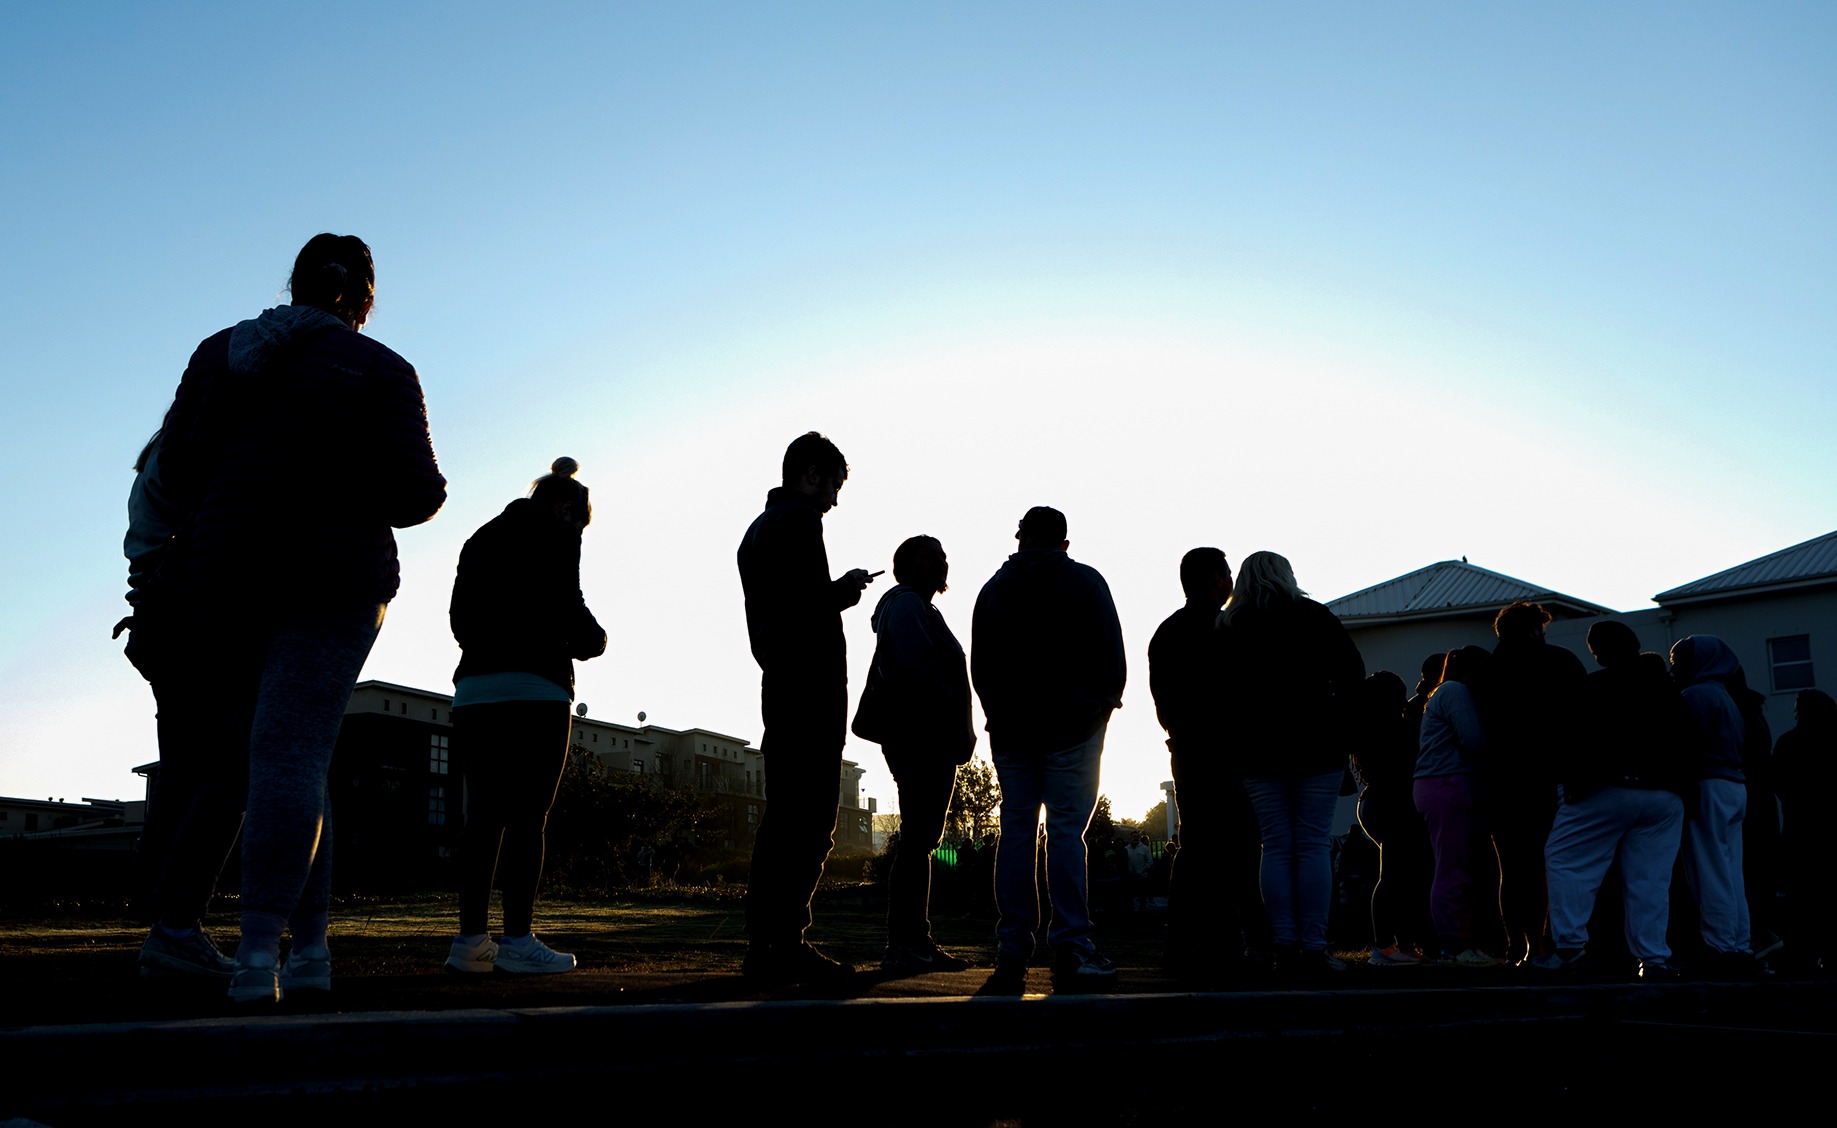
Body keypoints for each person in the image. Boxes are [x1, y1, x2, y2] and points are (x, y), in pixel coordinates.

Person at [155, 233, 446, 1002]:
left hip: (223, 571)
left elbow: (174, 466)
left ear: (295, 284)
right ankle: (261, 960)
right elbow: (419, 493)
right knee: (291, 755)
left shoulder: (219, 353)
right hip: (333, 575)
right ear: (364, 296)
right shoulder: (381, 369)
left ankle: (308, 952)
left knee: (279, 755)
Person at [443, 458, 606, 976]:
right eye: (579, 520)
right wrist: (593, 640)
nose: (580, 531)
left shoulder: (480, 538)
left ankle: (470, 942)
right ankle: (517, 940)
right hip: (536, 690)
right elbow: (568, 608)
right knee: (527, 820)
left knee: (482, 819)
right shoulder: (560, 537)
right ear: (565, 508)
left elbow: (459, 620)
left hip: (474, 691)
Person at [736, 432, 876, 983]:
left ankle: (764, 943)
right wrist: (839, 591)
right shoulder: (798, 521)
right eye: (834, 485)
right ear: (812, 474)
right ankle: (787, 941)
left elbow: (781, 607)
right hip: (809, 688)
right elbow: (803, 605)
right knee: (810, 822)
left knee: (784, 817)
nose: (835, 500)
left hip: (782, 684)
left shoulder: (758, 530)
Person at [972, 506, 1125, 989]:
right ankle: (1073, 945)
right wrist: (1099, 706)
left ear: (1020, 538)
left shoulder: (994, 591)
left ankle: (1012, 948)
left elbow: (982, 665)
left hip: (1015, 732)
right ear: (1064, 542)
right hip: (1073, 729)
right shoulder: (1085, 582)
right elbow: (1110, 652)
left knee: (1016, 830)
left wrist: (999, 713)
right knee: (1064, 834)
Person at [115, 431, 246, 979]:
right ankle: (175, 924)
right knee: (227, 772)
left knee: (188, 774)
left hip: (161, 616)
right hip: (184, 613)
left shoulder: (163, 456)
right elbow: (209, 530)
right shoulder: (196, 450)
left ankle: (166, 919)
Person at [1218, 551, 1365, 976]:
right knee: (1314, 843)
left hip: (1257, 750)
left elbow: (1220, 694)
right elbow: (1353, 675)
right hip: (1316, 744)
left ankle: (1283, 943)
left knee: (1276, 845)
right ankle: (1314, 944)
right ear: (1288, 576)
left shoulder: (1230, 626)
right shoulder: (1314, 617)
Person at [1533, 621, 1691, 979]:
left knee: (1567, 861)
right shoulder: (1669, 691)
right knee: (1649, 879)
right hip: (1664, 794)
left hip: (1605, 788)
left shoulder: (1592, 687)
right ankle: (1653, 958)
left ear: (1598, 652)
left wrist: (1572, 785)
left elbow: (1571, 741)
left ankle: (1571, 948)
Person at [852, 535, 976, 974]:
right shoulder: (906, 606)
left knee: (920, 841)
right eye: (930, 556)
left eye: (944, 555)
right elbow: (917, 671)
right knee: (918, 842)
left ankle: (913, 941)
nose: (941, 562)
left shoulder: (919, 608)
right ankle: (907, 944)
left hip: (925, 737)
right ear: (905, 566)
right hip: (922, 738)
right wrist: (948, 727)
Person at [1148, 547, 1265, 978]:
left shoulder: (1166, 633)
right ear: (1217, 579)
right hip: (1232, 753)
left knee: (1197, 849)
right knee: (1241, 848)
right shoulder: (1230, 630)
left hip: (1190, 751)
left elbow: (1164, 701)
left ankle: (1181, 945)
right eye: (1227, 574)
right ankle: (1231, 943)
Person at [1473, 600, 1587, 966]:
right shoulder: (1561, 662)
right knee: (1549, 865)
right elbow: (1581, 721)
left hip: (1500, 781)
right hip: (1548, 779)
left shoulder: (1484, 673)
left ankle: (1516, 944)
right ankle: (1543, 944)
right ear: (1536, 628)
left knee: (1512, 867)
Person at [1670, 634, 1761, 976]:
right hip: (1734, 786)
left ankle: (1719, 946)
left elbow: (1685, 746)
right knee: (1731, 870)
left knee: (1708, 870)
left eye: (1678, 661)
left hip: (1707, 785)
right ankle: (1738, 943)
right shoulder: (1726, 696)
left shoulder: (1695, 696)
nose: (1674, 667)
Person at [1413, 646, 1500, 965]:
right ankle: (1452, 944)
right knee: (1453, 866)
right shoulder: (1454, 691)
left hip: (1443, 783)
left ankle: (1461, 943)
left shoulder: (1443, 692)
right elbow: (1473, 739)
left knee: (1457, 865)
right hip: (1447, 782)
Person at [1352, 671, 1432, 967]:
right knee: (1398, 876)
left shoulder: (1367, 728)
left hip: (1373, 803)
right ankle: (1385, 947)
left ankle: (1399, 946)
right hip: (1393, 805)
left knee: (1399, 875)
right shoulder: (1401, 729)